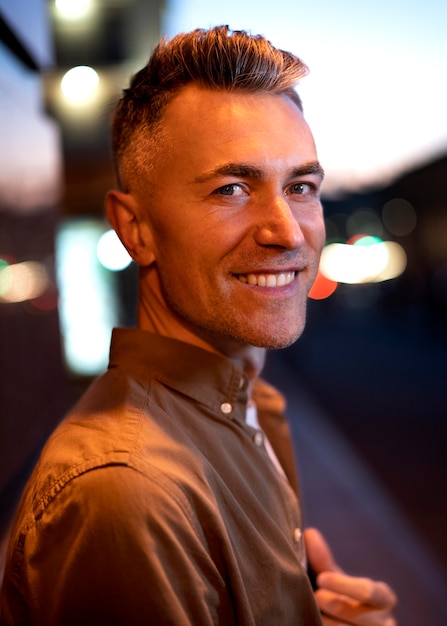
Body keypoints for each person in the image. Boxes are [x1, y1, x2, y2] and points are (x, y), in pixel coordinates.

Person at [0, 25, 397, 626]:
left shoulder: (246, 404)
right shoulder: (127, 492)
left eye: (301, 187)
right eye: (232, 188)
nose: (288, 231)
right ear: (136, 229)